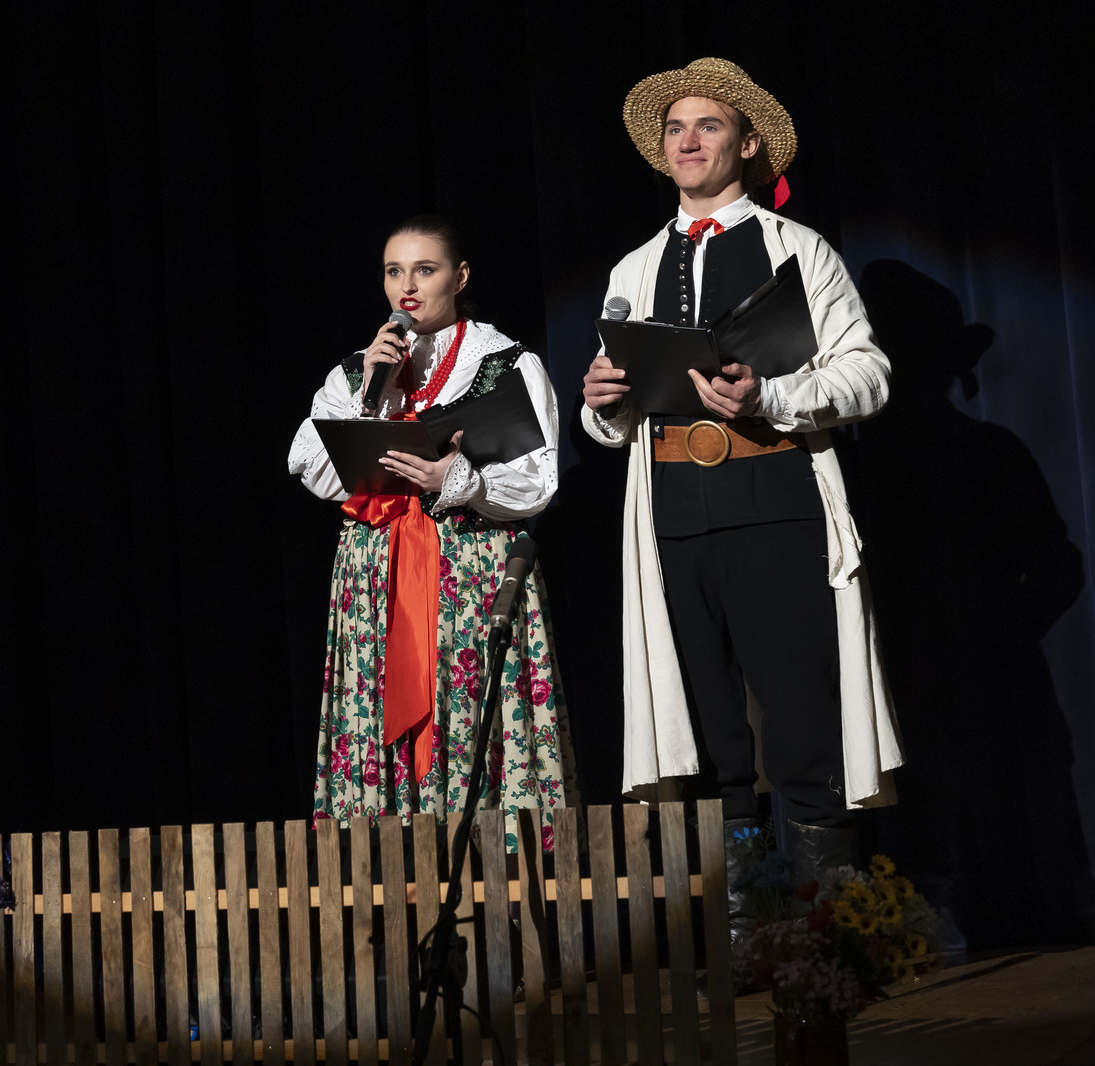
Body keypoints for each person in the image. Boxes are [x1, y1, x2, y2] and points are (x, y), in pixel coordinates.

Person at [579, 59, 904, 896]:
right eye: (675, 128)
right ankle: (743, 929)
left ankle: (828, 932)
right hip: (674, 515)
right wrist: (601, 402)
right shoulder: (633, 269)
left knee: (800, 720)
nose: (687, 140)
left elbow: (868, 374)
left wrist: (773, 394)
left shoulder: (798, 248)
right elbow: (611, 422)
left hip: (776, 502)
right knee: (709, 732)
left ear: (747, 144)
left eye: (709, 125)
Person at [289, 215, 578, 840]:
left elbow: (540, 480)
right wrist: (374, 395)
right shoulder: (357, 374)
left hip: (472, 569)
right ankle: (393, 869)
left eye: (425, 269)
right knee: (380, 714)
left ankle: (497, 864)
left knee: (473, 711)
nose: (408, 287)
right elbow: (311, 464)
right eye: (394, 271)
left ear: (460, 276)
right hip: (378, 578)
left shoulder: (504, 363)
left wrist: (458, 479)